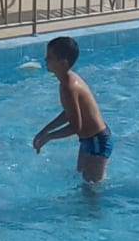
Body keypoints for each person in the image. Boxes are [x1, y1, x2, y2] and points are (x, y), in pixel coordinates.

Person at [31, 36, 111, 183]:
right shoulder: (65, 81)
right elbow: (70, 113)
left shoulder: (70, 86)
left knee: (91, 187)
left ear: (63, 63)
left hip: (97, 141)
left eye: (50, 57)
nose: (45, 59)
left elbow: (75, 127)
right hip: (88, 139)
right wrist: (45, 131)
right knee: (82, 179)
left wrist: (49, 137)